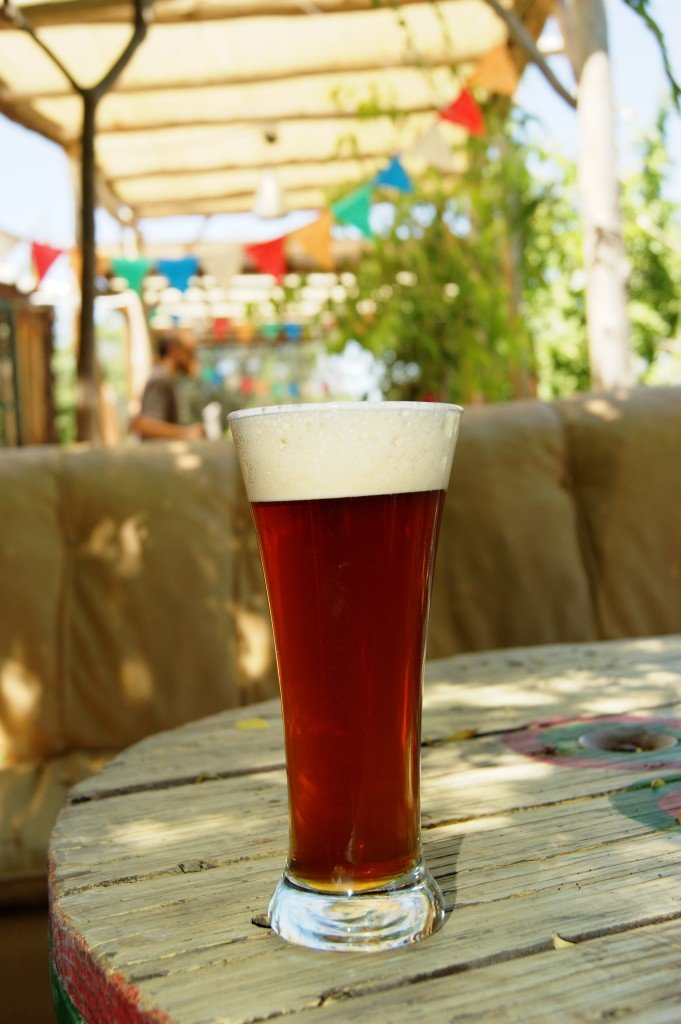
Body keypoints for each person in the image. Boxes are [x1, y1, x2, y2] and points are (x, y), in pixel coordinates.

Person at [130, 333, 206, 441]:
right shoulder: (160, 380)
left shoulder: (167, 380)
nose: (192, 359)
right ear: (173, 351)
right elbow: (143, 425)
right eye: (189, 352)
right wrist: (186, 432)